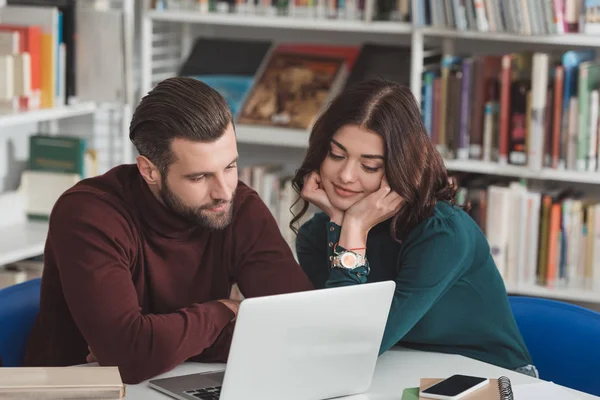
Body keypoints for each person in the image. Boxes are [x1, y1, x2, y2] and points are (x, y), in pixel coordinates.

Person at [23, 77, 314, 384]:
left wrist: (156, 344)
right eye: (199, 177)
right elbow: (128, 358)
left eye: (230, 167)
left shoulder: (238, 208)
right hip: (78, 389)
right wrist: (224, 311)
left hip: (185, 381)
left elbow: (300, 326)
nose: (224, 191)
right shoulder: (89, 214)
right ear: (150, 171)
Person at [291, 79, 538, 378]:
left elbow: (355, 348)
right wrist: (343, 227)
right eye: (337, 155)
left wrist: (354, 226)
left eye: (369, 167)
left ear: (400, 167)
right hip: (396, 372)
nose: (345, 176)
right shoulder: (317, 236)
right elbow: (336, 339)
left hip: (492, 381)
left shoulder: (441, 234)